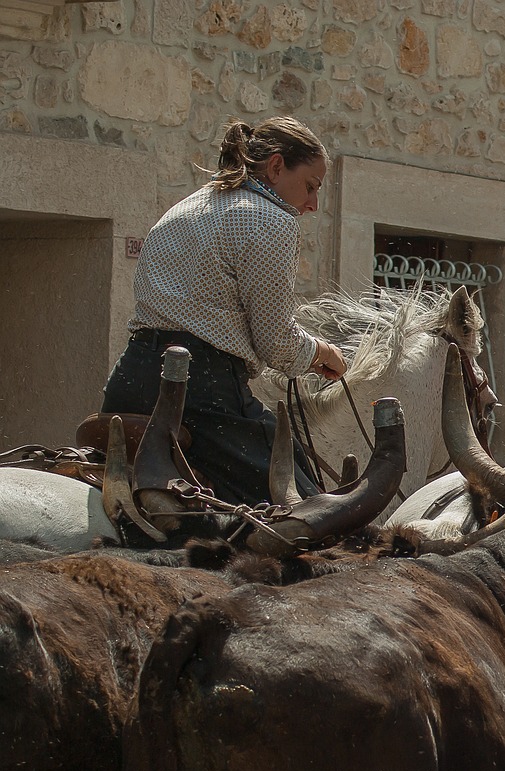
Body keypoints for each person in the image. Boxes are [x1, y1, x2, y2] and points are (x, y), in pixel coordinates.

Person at [101, 116, 346, 507]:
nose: (313, 204)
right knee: (308, 513)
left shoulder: (184, 207)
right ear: (277, 166)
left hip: (129, 382)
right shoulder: (270, 218)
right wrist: (320, 352)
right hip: (203, 394)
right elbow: (277, 343)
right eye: (311, 186)